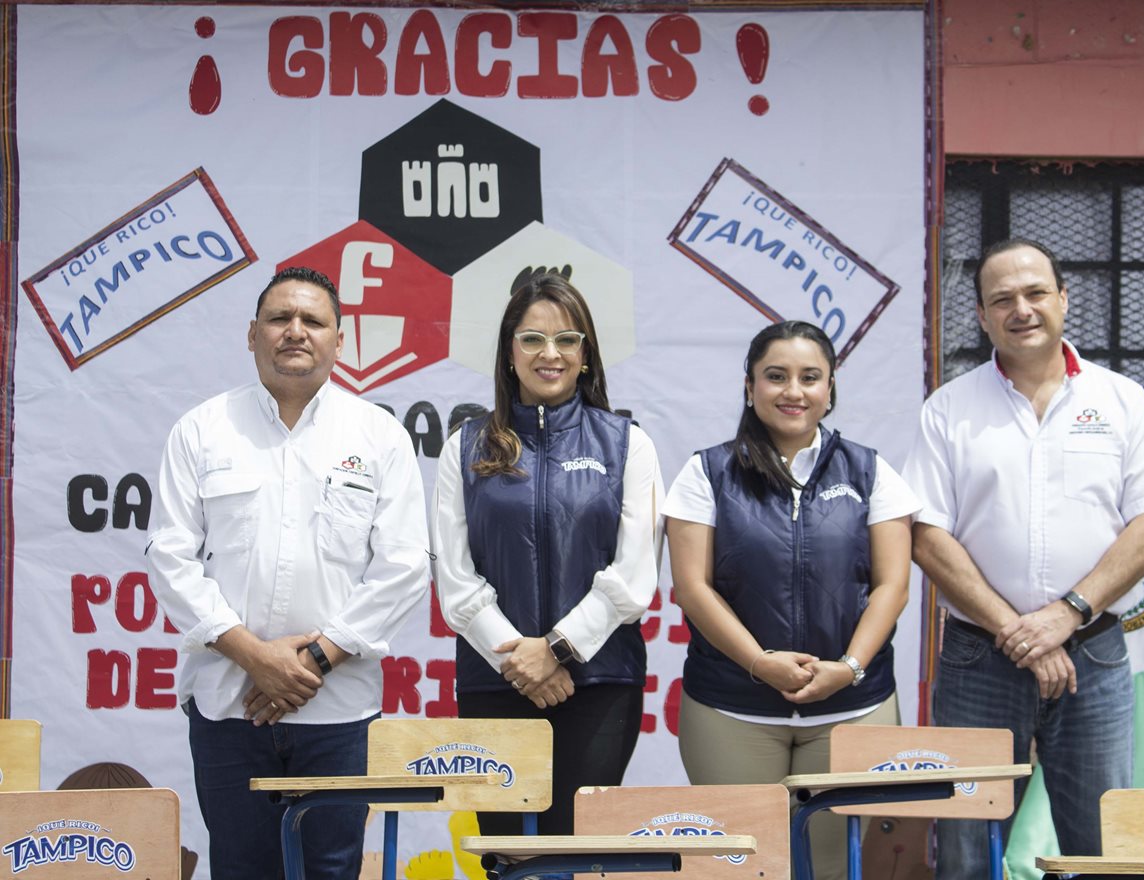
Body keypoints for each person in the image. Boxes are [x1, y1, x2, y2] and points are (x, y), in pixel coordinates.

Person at [902, 238, 1144, 876]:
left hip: (1093, 648)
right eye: (1002, 299)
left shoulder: (1121, 400)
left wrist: (1065, 615)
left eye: (1036, 293)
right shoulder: (949, 410)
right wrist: (1018, 631)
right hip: (981, 655)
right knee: (966, 850)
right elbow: (927, 536)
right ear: (981, 316)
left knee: (1099, 846)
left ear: (1064, 298)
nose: (1022, 309)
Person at [146, 266, 430, 880]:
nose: (294, 332)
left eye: (313, 321)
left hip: (339, 711)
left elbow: (405, 566)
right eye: (279, 319)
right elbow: (170, 559)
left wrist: (315, 660)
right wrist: (254, 656)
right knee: (242, 870)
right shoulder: (202, 430)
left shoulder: (377, 435)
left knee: (331, 871)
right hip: (229, 706)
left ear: (339, 339)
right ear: (252, 334)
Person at [664, 319, 919, 880]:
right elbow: (692, 588)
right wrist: (760, 663)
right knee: (740, 867)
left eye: (810, 377)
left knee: (836, 868)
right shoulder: (704, 473)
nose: (793, 391)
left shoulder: (873, 472)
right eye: (775, 376)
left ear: (831, 389)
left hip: (853, 708)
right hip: (732, 709)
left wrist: (848, 669)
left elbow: (892, 586)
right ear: (750, 387)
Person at [433, 271, 662, 836]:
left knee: (582, 855)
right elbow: (455, 578)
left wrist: (558, 650)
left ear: (586, 354)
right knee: (508, 859)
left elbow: (634, 576)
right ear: (510, 352)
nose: (549, 353)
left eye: (567, 339)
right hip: (497, 680)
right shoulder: (465, 445)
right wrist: (520, 662)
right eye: (532, 339)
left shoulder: (628, 442)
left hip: (600, 683)